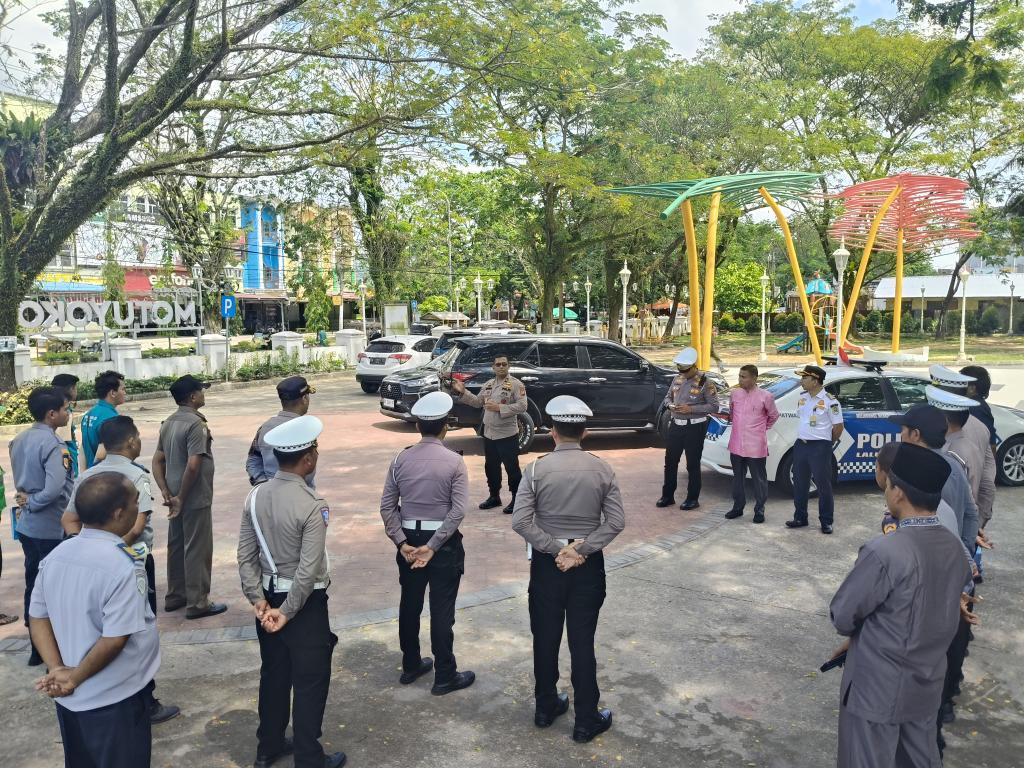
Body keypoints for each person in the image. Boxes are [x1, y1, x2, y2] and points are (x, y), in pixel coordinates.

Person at [829, 443, 970, 768]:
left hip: (877, 690)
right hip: (926, 684)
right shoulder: (954, 547)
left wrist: (857, 636)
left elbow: (843, 614)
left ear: (898, 493)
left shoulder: (885, 551)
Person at [512, 395, 625, 743]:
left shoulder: (535, 469)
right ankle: (586, 719)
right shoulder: (602, 468)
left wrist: (556, 549)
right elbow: (617, 522)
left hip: (548, 566)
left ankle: (545, 707)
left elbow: (520, 521)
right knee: (582, 642)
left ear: (552, 431)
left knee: (545, 639)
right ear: (584, 432)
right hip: (587, 567)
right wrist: (581, 550)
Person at [28, 472, 160, 768]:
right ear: (118, 513)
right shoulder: (123, 566)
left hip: (69, 699)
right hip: (113, 701)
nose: (140, 509)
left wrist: (57, 669)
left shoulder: (57, 556)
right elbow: (115, 638)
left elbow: (38, 616)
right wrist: (72, 677)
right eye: (136, 503)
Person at [237, 415, 346, 768]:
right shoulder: (313, 505)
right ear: (309, 458)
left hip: (267, 599)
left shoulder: (254, 497)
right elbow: (308, 569)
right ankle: (309, 758)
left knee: (274, 674)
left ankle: (267, 747)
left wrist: (259, 601)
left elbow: (245, 556)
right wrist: (287, 611)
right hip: (304, 606)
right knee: (310, 680)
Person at [62, 415, 180, 725]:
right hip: (134, 564)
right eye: (139, 436)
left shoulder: (89, 476)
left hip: (92, 568)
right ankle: (145, 700)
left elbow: (68, 521)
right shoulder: (136, 476)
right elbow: (138, 525)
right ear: (132, 442)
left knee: (100, 628)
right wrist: (109, 551)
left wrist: (87, 548)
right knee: (136, 632)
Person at [379, 391, 475, 695]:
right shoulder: (454, 462)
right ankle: (444, 674)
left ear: (418, 426)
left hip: (409, 540)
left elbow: (387, 507)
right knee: (441, 609)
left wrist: (401, 542)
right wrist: (433, 546)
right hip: (441, 544)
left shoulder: (400, 458)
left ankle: (410, 665)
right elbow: (458, 511)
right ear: (445, 425)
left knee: (410, 604)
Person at [9, 386, 75, 666]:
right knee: (53, 588)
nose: (67, 413)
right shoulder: (53, 445)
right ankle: (52, 648)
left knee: (33, 583)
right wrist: (33, 502)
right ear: (51, 414)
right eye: (64, 409)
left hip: (28, 526)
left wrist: (27, 502)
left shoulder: (19, 439)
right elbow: (54, 489)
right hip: (50, 525)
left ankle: (37, 649)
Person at [152, 374, 225, 619]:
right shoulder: (196, 425)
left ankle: (176, 595)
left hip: (174, 493)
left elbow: (157, 460)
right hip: (192, 496)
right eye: (201, 391)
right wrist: (182, 496)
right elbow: (194, 465)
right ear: (193, 397)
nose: (204, 394)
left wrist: (165, 490)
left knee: (176, 545)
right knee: (197, 547)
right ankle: (198, 602)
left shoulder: (169, 422)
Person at [887, 403, 979, 554]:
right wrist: (965, 552)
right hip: (951, 557)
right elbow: (971, 514)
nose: (901, 435)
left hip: (924, 557)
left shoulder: (915, 471)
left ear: (915, 434)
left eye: (903, 430)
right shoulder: (955, 465)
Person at [450, 354, 528, 514]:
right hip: (489, 433)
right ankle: (494, 496)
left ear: (508, 366)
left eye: (504, 364)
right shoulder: (489, 385)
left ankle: (516, 499)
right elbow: (478, 402)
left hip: (507, 433)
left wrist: (500, 408)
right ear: (493, 367)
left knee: (512, 468)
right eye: (498, 364)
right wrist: (463, 392)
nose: (501, 367)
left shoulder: (515, 384)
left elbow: (523, 406)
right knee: (491, 467)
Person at [656, 346, 720, 510]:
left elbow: (714, 406)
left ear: (693, 367)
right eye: (680, 370)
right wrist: (670, 405)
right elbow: (667, 397)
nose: (682, 374)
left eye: (685, 371)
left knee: (692, 464)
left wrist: (691, 409)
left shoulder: (706, 382)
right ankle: (668, 496)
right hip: (676, 425)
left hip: (695, 427)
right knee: (670, 462)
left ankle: (693, 498)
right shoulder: (678, 379)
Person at [786, 365, 843, 534]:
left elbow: (838, 427)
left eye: (805, 378)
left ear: (815, 380)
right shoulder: (803, 397)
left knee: (823, 485)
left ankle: (826, 521)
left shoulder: (830, 401)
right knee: (800, 483)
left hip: (820, 447)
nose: (801, 381)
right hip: (801, 445)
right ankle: (800, 517)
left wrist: (825, 443)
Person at [724, 364, 779, 523]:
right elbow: (732, 413)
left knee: (759, 479)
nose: (740, 379)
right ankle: (737, 507)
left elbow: (774, 416)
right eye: (739, 376)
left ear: (754, 378)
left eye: (744, 376)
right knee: (737, 478)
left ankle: (759, 510)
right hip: (736, 444)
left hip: (756, 446)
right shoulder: (734, 394)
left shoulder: (766, 396)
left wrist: (761, 429)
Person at [247, 376, 317, 486]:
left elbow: (253, 459)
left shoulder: (265, 428)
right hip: (298, 495)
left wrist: (262, 483)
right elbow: (308, 472)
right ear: (304, 399)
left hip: (269, 496)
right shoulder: (305, 430)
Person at [81, 370, 127, 468]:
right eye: (123, 389)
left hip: (90, 476)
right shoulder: (112, 419)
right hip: (105, 477)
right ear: (113, 393)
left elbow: (83, 448)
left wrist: (85, 475)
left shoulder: (88, 415)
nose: (125, 393)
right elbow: (101, 455)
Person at [51, 373, 82, 477]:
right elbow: (62, 441)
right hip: (68, 459)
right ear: (71, 389)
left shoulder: (53, 407)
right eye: (75, 388)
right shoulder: (64, 412)